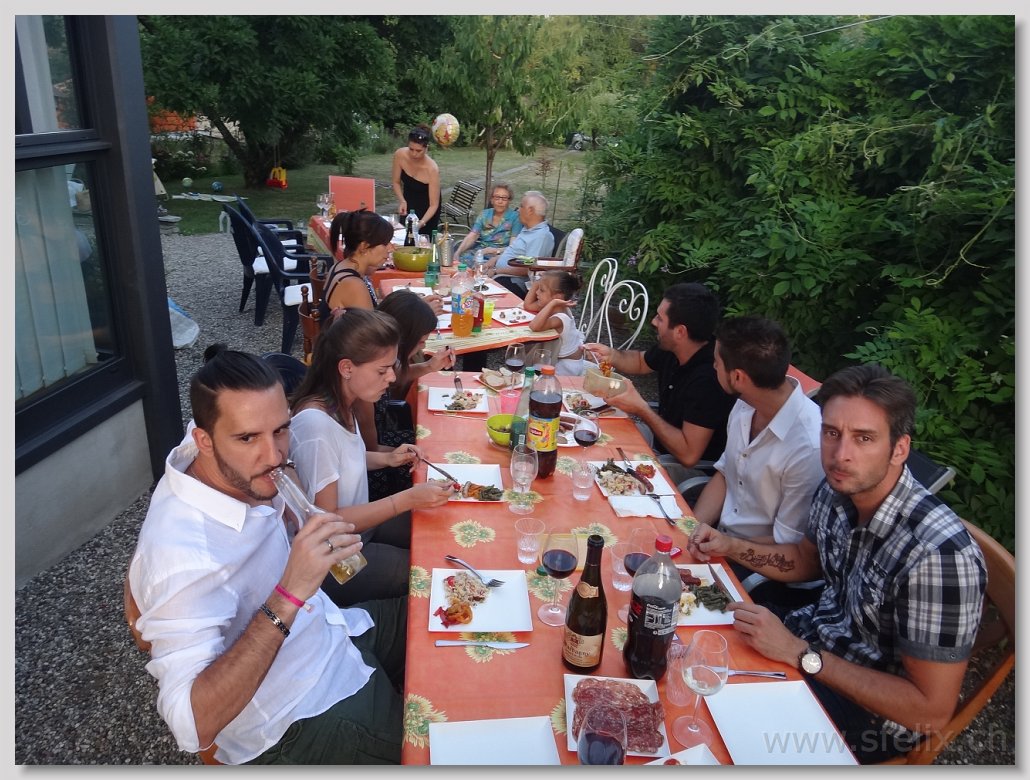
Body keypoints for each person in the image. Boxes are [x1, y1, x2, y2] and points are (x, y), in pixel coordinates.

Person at [687, 364, 987, 764]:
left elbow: (929, 710)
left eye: (864, 438)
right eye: (831, 433)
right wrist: (730, 545)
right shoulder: (835, 491)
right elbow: (804, 561)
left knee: (710, 735)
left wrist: (798, 653)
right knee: (690, 645)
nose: (841, 455)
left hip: (866, 717)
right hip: (810, 638)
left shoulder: (939, 557)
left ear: (900, 449)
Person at [128, 345, 406, 764]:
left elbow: (260, 438)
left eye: (281, 430)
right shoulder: (184, 556)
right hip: (302, 713)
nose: (274, 456)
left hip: (336, 629)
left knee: (456, 613)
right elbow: (191, 724)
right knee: (447, 748)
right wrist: (289, 594)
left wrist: (289, 482)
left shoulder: (211, 449)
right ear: (205, 441)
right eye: (248, 439)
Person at [289, 309, 454, 606]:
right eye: (382, 370)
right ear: (346, 368)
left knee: (443, 527)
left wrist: (388, 459)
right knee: (428, 571)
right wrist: (406, 499)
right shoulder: (315, 426)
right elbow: (326, 520)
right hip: (334, 558)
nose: (392, 377)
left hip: (359, 529)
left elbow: (340, 462)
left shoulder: (341, 401)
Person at [688, 315, 825, 610]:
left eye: (716, 362)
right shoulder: (746, 403)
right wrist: (692, 528)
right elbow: (725, 474)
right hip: (723, 543)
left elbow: (788, 544)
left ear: (738, 377)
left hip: (768, 576)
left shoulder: (809, 446)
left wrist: (724, 545)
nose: (713, 367)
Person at [583, 282, 735, 484]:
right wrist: (611, 355)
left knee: (600, 471)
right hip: (660, 443)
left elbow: (688, 455)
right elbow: (640, 362)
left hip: (685, 468)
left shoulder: (708, 378)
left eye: (660, 318)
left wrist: (641, 408)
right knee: (594, 432)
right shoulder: (675, 347)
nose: (654, 322)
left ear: (680, 331)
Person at [363, 290, 456, 501]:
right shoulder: (364, 391)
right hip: (373, 469)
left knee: (439, 439)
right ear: (403, 339)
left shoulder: (377, 360)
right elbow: (370, 449)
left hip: (380, 443)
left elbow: (396, 375)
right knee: (435, 450)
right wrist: (413, 455)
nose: (424, 347)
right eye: (421, 342)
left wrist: (430, 366)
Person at [325, 209, 442, 322]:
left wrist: (417, 307)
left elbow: (374, 316)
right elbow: (376, 332)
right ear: (364, 247)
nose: (391, 248)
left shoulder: (343, 267)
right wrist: (423, 314)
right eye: (385, 244)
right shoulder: (353, 284)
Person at [483, 190, 555, 295]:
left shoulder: (541, 236)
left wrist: (496, 271)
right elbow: (518, 256)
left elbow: (528, 268)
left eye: (521, 206)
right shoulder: (528, 229)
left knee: (476, 291)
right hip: (502, 275)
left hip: (513, 282)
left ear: (530, 210)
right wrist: (495, 259)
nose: (518, 210)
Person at [523, 270, 586, 376]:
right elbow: (528, 306)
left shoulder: (560, 317)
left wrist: (553, 303)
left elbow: (534, 326)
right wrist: (538, 282)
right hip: (558, 357)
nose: (537, 292)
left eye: (542, 290)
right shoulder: (555, 306)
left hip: (567, 366)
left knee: (535, 377)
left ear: (557, 297)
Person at [454, 182, 522, 264]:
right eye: (497, 197)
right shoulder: (484, 214)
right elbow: (473, 235)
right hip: (480, 253)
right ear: (492, 200)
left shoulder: (515, 218)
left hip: (501, 256)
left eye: (504, 198)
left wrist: (494, 250)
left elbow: (513, 247)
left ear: (509, 201)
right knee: (461, 263)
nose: (500, 201)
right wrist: (458, 253)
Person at [391, 125, 440, 236]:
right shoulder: (399, 155)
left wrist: (421, 222)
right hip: (408, 201)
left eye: (418, 151)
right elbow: (396, 182)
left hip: (428, 207)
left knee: (423, 239)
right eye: (411, 149)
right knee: (404, 235)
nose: (414, 154)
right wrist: (402, 201)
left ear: (426, 148)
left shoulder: (432, 169)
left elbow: (434, 205)